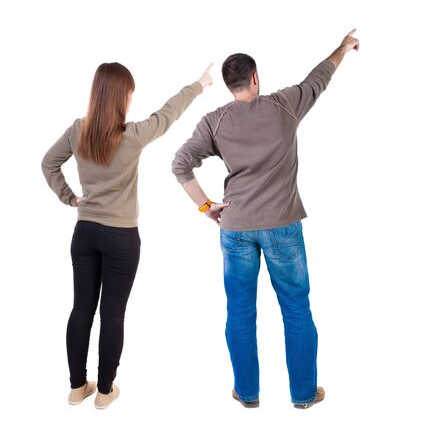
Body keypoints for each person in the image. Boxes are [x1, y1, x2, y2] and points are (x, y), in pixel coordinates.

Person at [172, 30, 359, 409]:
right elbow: (319, 77)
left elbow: (180, 164)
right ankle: (305, 395)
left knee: (240, 312)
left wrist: (207, 208)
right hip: (282, 226)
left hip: (235, 229)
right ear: (255, 78)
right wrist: (342, 47)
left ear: (230, 85)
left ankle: (248, 393)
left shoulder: (215, 121)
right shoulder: (285, 104)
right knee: (296, 308)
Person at [41, 61, 213, 409]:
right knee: (113, 314)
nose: (132, 100)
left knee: (81, 309)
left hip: (85, 233)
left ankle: (77, 388)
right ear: (122, 97)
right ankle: (104, 392)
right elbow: (169, 113)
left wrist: (71, 198)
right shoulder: (133, 135)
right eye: (130, 94)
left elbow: (48, 163)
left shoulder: (78, 130)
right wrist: (199, 84)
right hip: (121, 237)